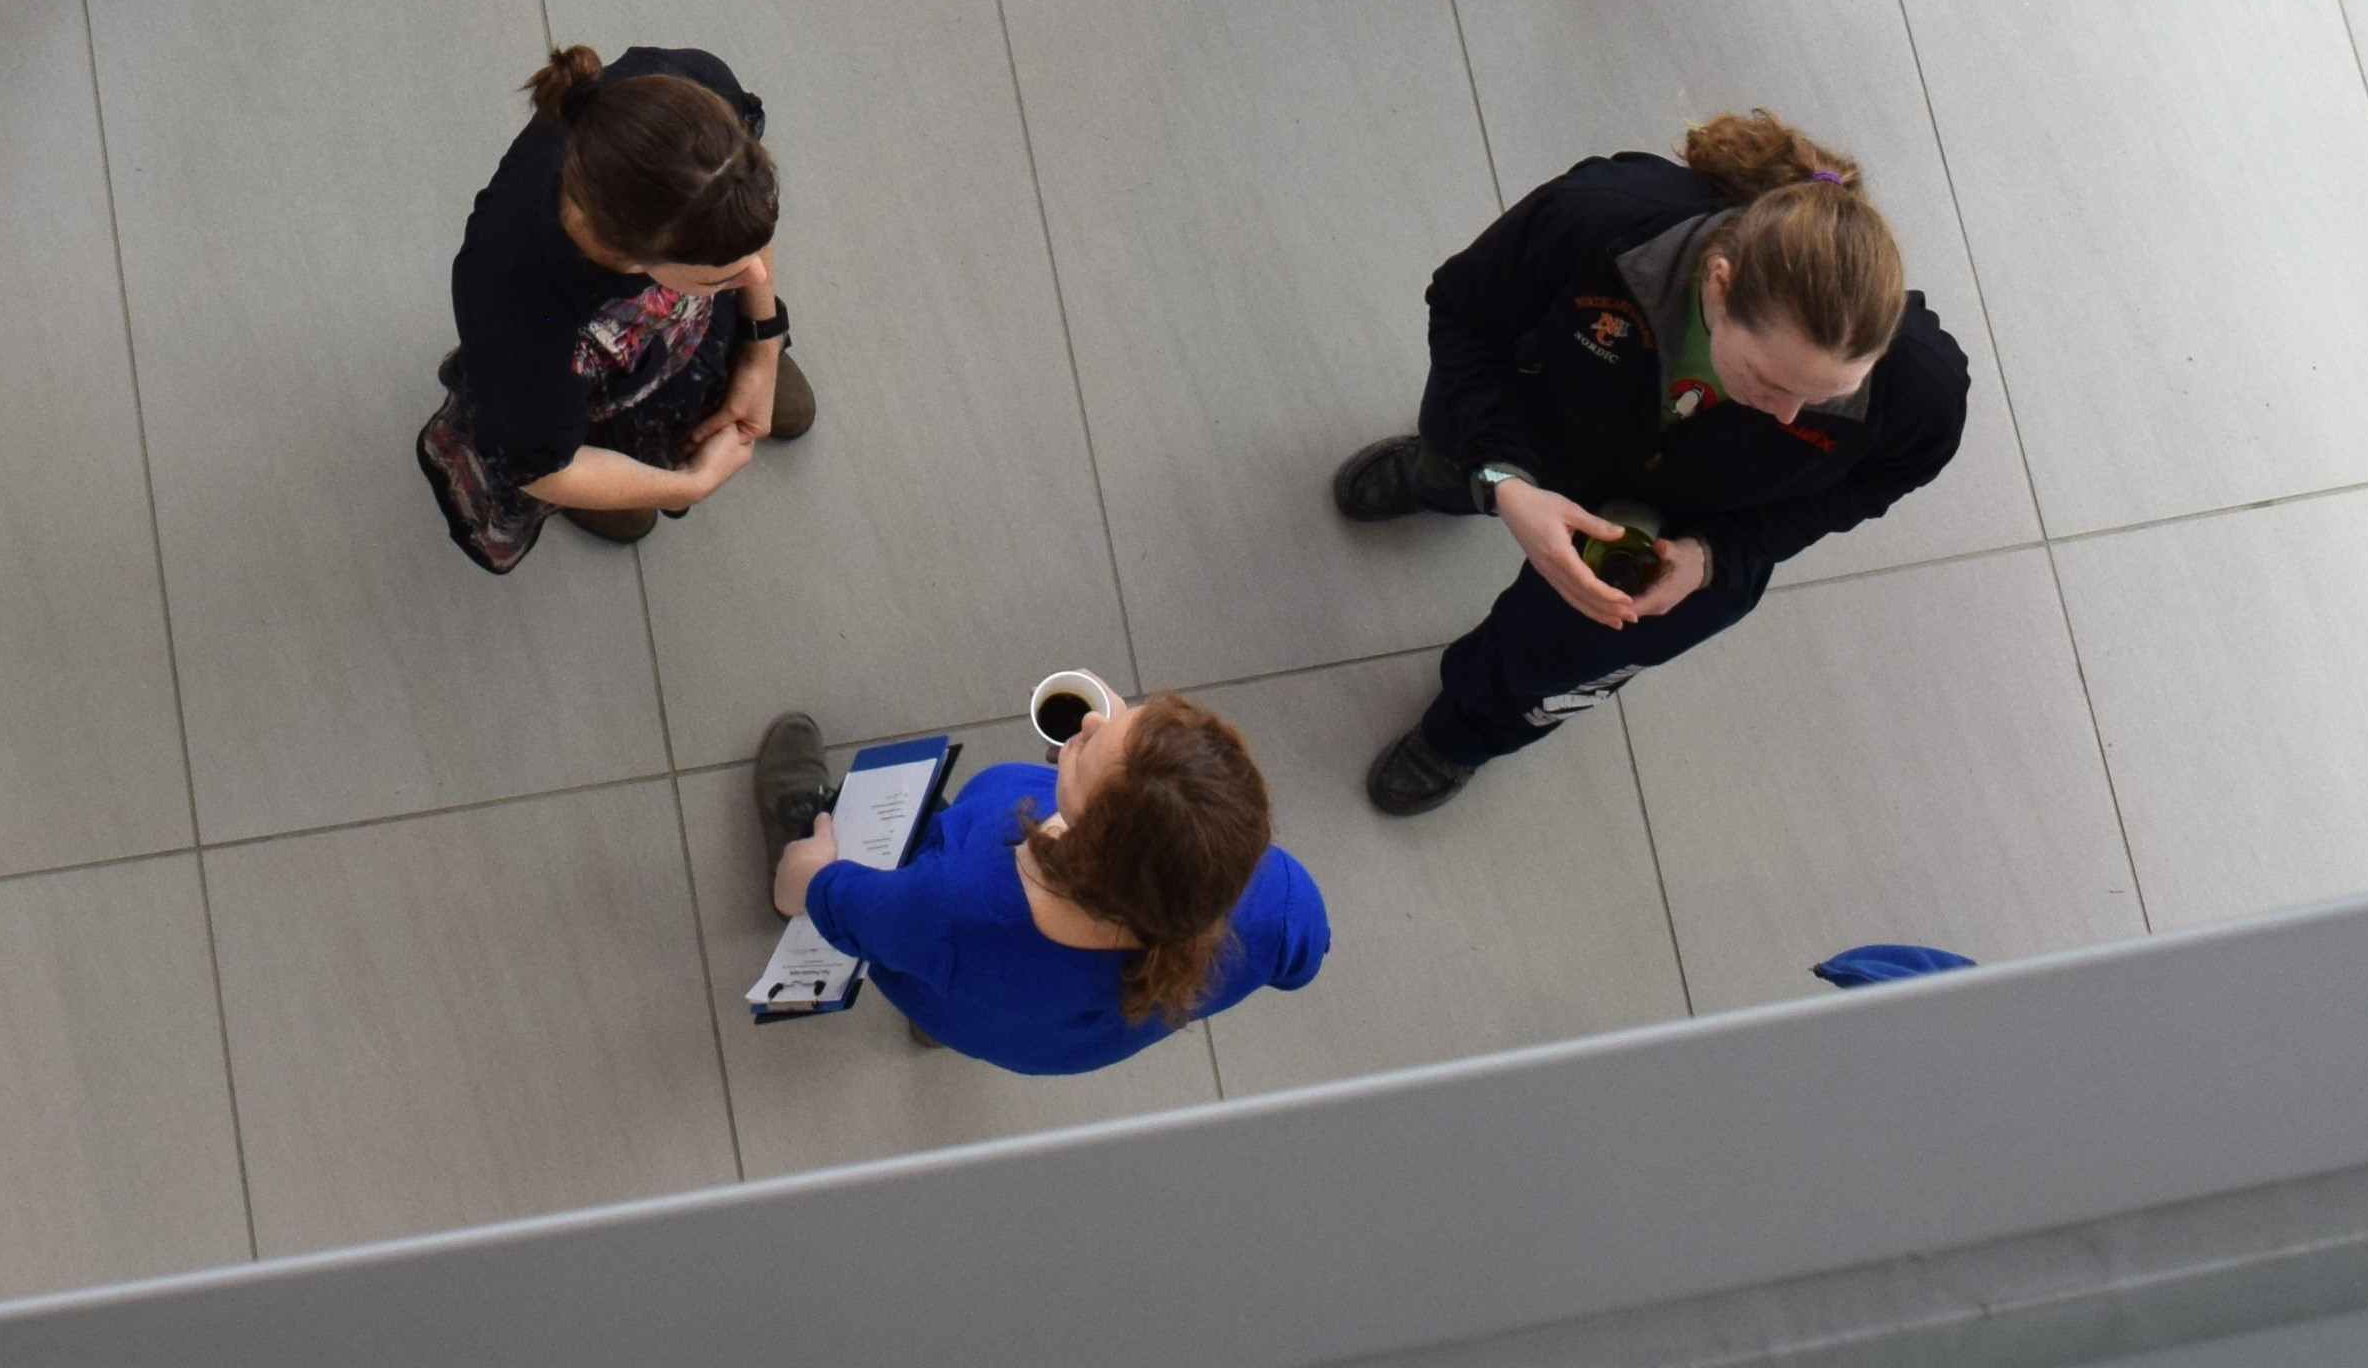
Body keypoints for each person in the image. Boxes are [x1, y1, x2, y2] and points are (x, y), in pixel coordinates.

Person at [1328, 108, 1969, 814]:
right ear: (1720, 285)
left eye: (1827, 398)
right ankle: (1445, 478)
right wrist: (1504, 478)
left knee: (1557, 657)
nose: (1790, 417)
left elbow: (1865, 488)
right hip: (1543, 417)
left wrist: (1717, 555)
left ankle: (1463, 733)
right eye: (1771, 382)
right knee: (1458, 451)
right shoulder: (1602, 221)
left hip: (1696, 527)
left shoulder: (1922, 393)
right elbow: (1462, 313)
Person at [753, 692, 1327, 1072]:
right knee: (970, 1000)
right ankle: (942, 1028)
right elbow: (1304, 960)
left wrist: (809, 881)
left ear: (1091, 851)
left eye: (1087, 753)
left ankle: (806, 822)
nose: (1092, 720)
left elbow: (850, 907)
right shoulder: (1278, 899)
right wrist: (1102, 770)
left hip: (945, 947)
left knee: (913, 945)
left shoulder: (952, 906)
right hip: (1039, 1035)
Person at [419, 44, 806, 567]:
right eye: (725, 276)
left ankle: (702, 376)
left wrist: (762, 343)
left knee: (722, 318)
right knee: (554, 443)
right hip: (569, 370)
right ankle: (625, 456)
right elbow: (547, 467)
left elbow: (740, 227)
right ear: (634, 261)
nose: (757, 276)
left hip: (653, 307)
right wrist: (685, 485)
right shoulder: (515, 300)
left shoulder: (692, 98)